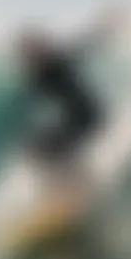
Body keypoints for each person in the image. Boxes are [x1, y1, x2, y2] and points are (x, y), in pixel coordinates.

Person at [14, 21, 112, 171]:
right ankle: (71, 178)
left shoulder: (56, 61)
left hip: (88, 115)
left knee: (50, 147)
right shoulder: (38, 73)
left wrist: (102, 28)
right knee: (37, 147)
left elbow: (83, 47)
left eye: (29, 49)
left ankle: (79, 177)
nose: (26, 56)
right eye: (24, 52)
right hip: (77, 117)